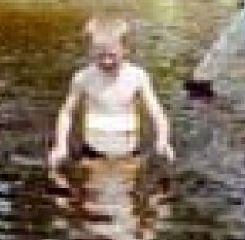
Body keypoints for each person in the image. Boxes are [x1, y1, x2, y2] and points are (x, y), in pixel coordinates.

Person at [47, 18, 175, 169]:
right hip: (93, 152)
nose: (106, 61)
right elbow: (67, 112)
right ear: (90, 51)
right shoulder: (83, 77)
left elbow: (157, 112)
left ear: (125, 49)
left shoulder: (137, 76)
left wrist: (162, 140)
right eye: (100, 56)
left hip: (129, 153)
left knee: (126, 189)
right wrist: (61, 145)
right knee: (93, 189)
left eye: (112, 55)